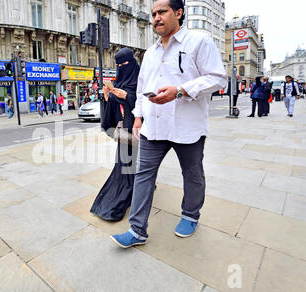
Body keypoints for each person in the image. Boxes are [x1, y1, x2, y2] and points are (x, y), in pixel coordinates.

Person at [110, 0, 227, 248]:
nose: (156, 18)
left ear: (179, 13)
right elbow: (142, 88)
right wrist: (138, 116)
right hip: (154, 126)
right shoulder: (150, 52)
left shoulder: (199, 41)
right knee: (143, 175)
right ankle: (137, 230)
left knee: (192, 174)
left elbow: (217, 78)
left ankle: (190, 215)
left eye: (162, 12)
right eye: (153, 14)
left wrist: (181, 90)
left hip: (188, 125)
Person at [90, 47, 140, 222]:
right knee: (124, 166)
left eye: (124, 64)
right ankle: (119, 199)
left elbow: (147, 103)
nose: (121, 68)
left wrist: (128, 97)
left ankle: (137, 189)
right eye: (118, 65)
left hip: (140, 130)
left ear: (132, 63)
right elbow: (110, 113)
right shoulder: (119, 82)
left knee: (138, 165)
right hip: (125, 132)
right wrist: (106, 97)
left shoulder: (141, 80)